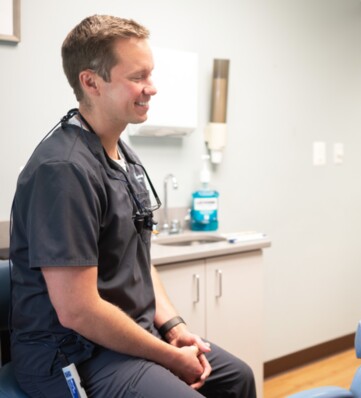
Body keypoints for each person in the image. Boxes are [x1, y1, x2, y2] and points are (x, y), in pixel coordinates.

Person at [9, 15, 256, 398]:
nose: (152, 88)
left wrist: (173, 326)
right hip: (74, 354)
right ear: (91, 82)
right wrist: (170, 358)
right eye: (138, 77)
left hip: (128, 336)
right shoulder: (63, 171)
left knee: (236, 378)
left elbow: (137, 258)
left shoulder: (124, 155)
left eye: (151, 75)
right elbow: (78, 311)